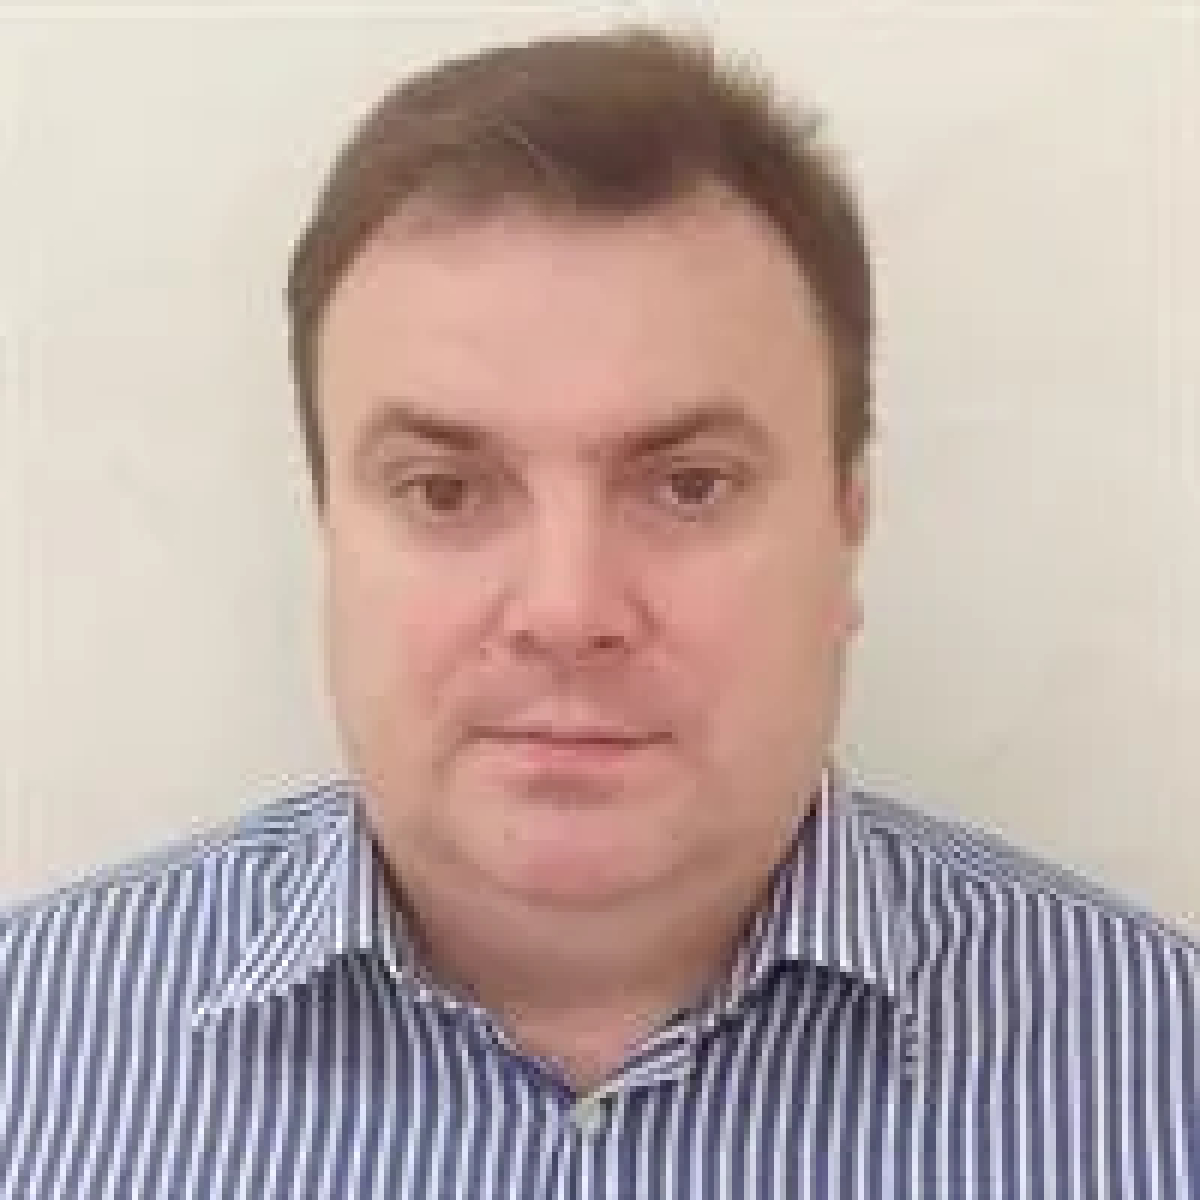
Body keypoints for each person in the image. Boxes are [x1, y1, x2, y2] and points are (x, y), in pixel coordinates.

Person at [1, 26, 1195, 1199]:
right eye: (446, 491)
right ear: (329, 532)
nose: (566, 612)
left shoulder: (1163, 1077)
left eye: (690, 486)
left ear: (847, 527)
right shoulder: (31, 1050)